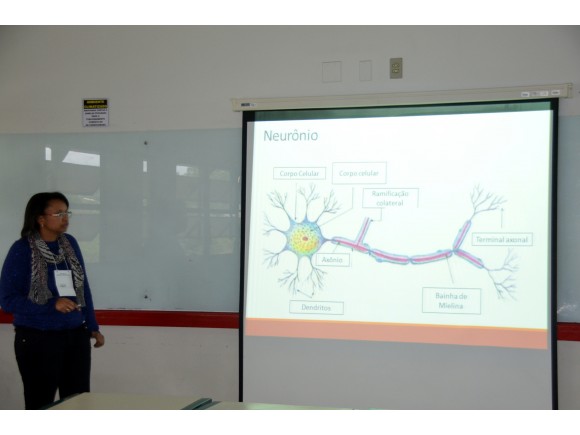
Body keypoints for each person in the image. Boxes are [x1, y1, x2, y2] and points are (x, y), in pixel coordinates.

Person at [0, 192, 105, 410]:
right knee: (41, 404)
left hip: (75, 336)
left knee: (78, 404)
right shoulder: (22, 250)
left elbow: (83, 287)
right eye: (59, 213)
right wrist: (51, 304)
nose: (65, 218)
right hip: (38, 339)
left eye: (67, 213)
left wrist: (92, 326)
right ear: (41, 218)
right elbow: (7, 300)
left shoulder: (70, 244)